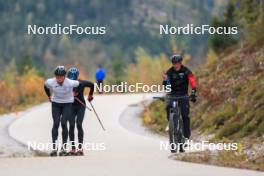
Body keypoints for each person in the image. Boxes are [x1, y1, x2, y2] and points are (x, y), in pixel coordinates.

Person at [44, 66, 79, 156]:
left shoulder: (70, 82)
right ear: (55, 76)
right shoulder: (51, 82)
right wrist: (49, 96)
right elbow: (45, 86)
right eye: (57, 76)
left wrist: (75, 93)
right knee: (56, 123)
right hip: (56, 103)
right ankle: (54, 148)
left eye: (61, 76)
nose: (59, 78)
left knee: (63, 123)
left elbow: (79, 84)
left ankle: (63, 148)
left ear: (64, 76)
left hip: (67, 104)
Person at [162, 55, 197, 142]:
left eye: (177, 63)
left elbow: (192, 81)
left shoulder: (186, 71)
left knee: (185, 116)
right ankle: (171, 123)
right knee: (168, 107)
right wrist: (165, 81)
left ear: (180, 63)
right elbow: (167, 86)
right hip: (173, 94)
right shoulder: (169, 72)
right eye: (174, 63)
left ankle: (186, 137)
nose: (175, 65)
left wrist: (193, 93)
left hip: (183, 95)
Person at [67, 67, 94, 156]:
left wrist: (90, 95)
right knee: (71, 125)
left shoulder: (82, 83)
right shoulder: (65, 84)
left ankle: (80, 148)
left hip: (80, 106)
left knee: (78, 124)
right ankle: (73, 148)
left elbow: (92, 85)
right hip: (70, 106)